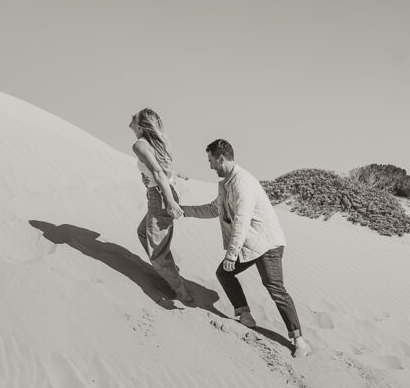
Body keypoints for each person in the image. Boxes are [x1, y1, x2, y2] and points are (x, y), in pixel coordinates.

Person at [181, 139, 311, 358]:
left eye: (211, 161)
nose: (210, 166)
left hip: (267, 244)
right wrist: (184, 211)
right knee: (224, 273)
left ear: (221, 158)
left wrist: (232, 254)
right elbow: (214, 209)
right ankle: (245, 315)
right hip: (249, 244)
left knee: (274, 287)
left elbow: (241, 221)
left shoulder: (243, 183)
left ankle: (299, 341)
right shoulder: (225, 184)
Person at [129, 108, 193, 304]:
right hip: (164, 192)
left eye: (134, 117)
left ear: (140, 126)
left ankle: (182, 293)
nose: (131, 118)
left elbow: (158, 173)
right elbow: (163, 170)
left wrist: (170, 201)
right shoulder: (153, 144)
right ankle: (169, 273)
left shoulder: (139, 145)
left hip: (161, 196)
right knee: (143, 232)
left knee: (157, 252)